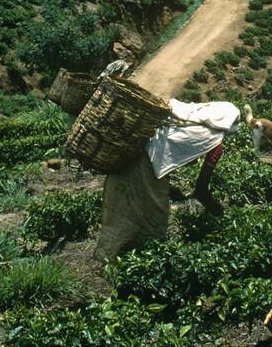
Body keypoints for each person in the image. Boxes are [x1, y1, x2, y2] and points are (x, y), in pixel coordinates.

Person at [94, 99, 240, 261]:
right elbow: (201, 191)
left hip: (132, 153)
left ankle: (115, 255)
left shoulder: (187, 117)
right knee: (153, 219)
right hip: (147, 164)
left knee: (125, 207)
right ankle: (141, 261)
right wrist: (220, 214)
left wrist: (172, 190)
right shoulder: (214, 141)